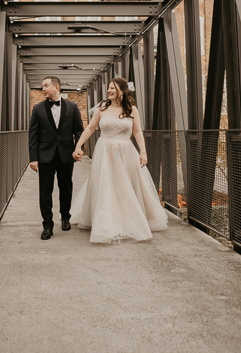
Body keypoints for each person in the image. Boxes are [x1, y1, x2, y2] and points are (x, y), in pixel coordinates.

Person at [70, 77, 168, 244]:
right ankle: (107, 223)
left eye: (113, 88)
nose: (109, 91)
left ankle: (127, 220)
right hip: (105, 151)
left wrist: (143, 152)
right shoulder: (102, 107)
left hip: (126, 151)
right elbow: (91, 128)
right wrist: (78, 145)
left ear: (121, 91)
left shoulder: (132, 110)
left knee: (126, 185)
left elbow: (137, 132)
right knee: (106, 184)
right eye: (108, 88)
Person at [28, 76, 84, 240]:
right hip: (45, 156)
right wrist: (33, 158)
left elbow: (79, 130)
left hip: (66, 155)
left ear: (56, 87)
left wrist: (78, 148)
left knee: (65, 188)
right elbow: (33, 135)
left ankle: (65, 216)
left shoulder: (72, 107)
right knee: (45, 191)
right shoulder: (38, 108)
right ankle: (47, 225)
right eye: (42, 86)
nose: (43, 89)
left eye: (46, 85)